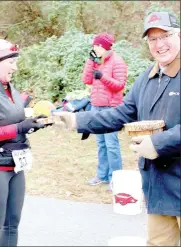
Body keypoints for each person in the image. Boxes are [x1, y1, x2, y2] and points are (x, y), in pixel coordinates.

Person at [52, 12, 180, 246]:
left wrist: (158, 144)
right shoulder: (146, 79)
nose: (160, 44)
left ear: (179, 35)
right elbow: (120, 115)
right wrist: (76, 121)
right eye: (152, 39)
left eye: (166, 35)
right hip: (158, 186)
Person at [0, 39, 46, 246]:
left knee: (11, 225)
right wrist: (19, 128)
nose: (15, 67)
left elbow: (15, 120)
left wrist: (31, 125)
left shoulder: (10, 88)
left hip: (16, 164)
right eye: (11, 62)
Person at [82, 33, 128, 187]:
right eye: (94, 46)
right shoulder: (96, 61)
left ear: (104, 47)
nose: (94, 48)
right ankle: (102, 175)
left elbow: (120, 85)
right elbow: (86, 80)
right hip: (96, 105)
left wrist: (102, 77)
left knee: (111, 144)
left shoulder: (118, 62)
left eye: (96, 46)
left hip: (111, 108)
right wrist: (90, 62)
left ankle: (116, 178)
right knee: (101, 143)